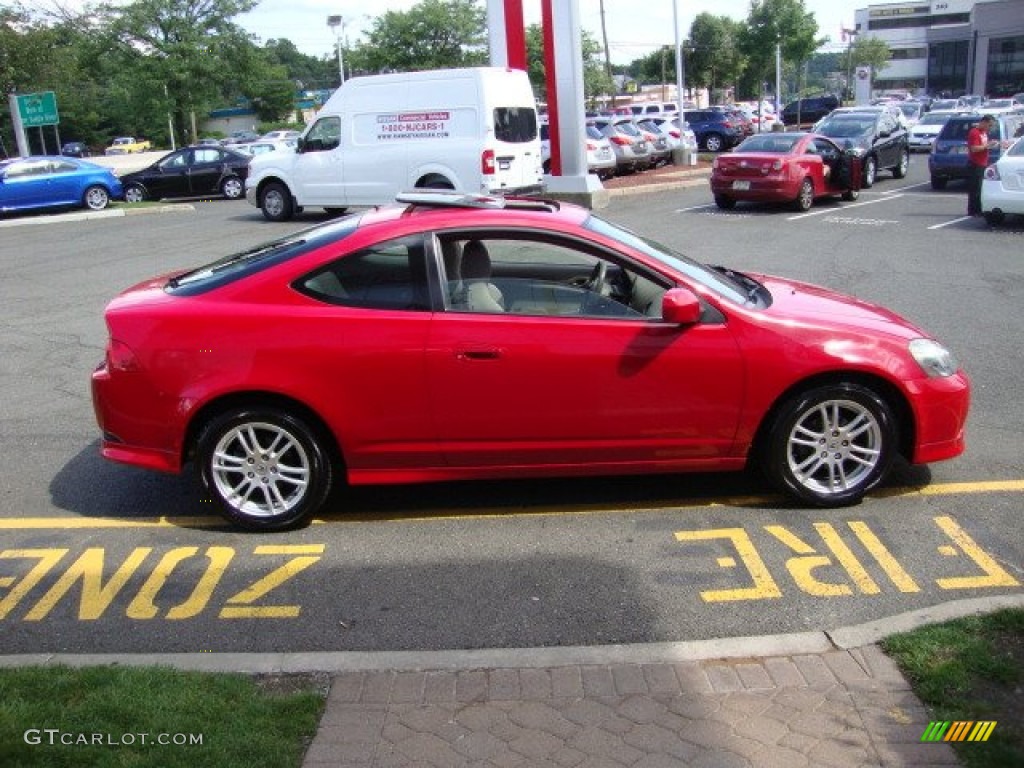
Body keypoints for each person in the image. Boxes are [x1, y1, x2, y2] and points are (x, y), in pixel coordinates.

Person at [966, 115, 998, 216]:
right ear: (984, 122)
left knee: (980, 188)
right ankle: (973, 211)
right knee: (975, 188)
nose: (990, 128)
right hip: (975, 164)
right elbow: (974, 148)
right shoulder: (974, 132)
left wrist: (992, 144)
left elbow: (983, 146)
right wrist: (987, 145)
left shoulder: (983, 133)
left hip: (983, 163)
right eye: (989, 125)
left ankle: (979, 209)